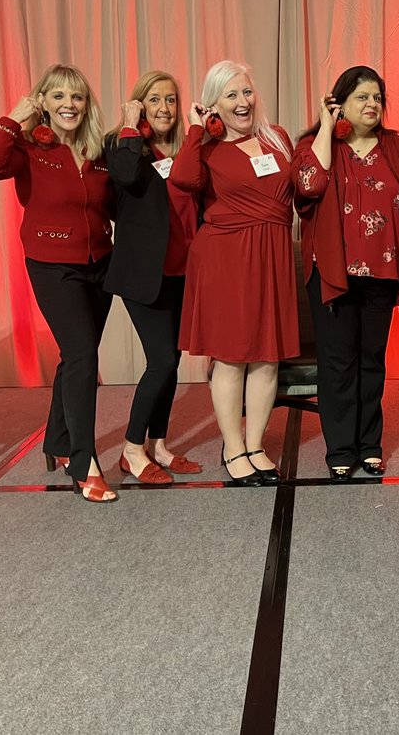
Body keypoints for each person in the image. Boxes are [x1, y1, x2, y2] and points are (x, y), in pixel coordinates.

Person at [0, 63, 118, 503]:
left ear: (86, 104)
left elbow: (116, 205)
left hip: (100, 263)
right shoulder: (27, 149)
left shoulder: (98, 151)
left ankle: (56, 441)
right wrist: (14, 118)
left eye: (76, 97)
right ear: (44, 103)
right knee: (82, 355)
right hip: (53, 264)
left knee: (74, 357)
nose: (68, 105)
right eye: (58, 96)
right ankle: (83, 460)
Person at [171, 60, 298, 486]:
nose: (242, 102)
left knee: (267, 355)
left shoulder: (277, 137)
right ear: (214, 104)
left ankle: (256, 444)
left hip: (273, 255)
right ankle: (233, 447)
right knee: (230, 357)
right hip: (227, 258)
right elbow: (182, 180)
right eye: (231, 95)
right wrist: (195, 129)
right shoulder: (206, 147)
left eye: (246, 92)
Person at [293, 65, 399, 481]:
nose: (372, 105)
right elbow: (309, 185)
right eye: (362, 97)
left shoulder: (396, 148)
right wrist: (328, 130)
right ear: (340, 102)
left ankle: (370, 444)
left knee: (371, 361)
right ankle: (341, 447)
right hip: (333, 273)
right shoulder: (314, 145)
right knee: (337, 362)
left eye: (377, 97)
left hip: (382, 272)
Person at [104, 70, 204, 484]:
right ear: (140, 104)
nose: (165, 108)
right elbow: (124, 177)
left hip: (183, 269)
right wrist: (130, 123)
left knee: (172, 361)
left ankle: (158, 445)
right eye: (155, 100)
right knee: (161, 361)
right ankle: (131, 449)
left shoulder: (182, 149)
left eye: (171, 100)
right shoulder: (123, 143)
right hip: (143, 272)